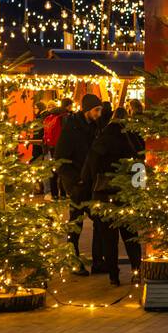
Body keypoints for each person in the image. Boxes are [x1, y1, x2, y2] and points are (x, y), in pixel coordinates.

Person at [81, 108, 144, 285]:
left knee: (109, 239)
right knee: (131, 237)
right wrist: (139, 189)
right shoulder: (134, 139)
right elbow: (140, 164)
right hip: (126, 193)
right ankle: (136, 270)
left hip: (104, 194)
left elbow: (90, 165)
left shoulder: (102, 138)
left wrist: (91, 184)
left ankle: (114, 276)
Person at [55, 93, 103, 275]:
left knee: (99, 221)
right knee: (75, 225)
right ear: (87, 110)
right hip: (77, 185)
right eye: (96, 110)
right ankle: (73, 262)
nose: (99, 113)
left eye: (100, 110)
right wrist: (73, 184)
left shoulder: (94, 127)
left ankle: (98, 262)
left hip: (90, 184)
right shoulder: (72, 129)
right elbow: (61, 159)